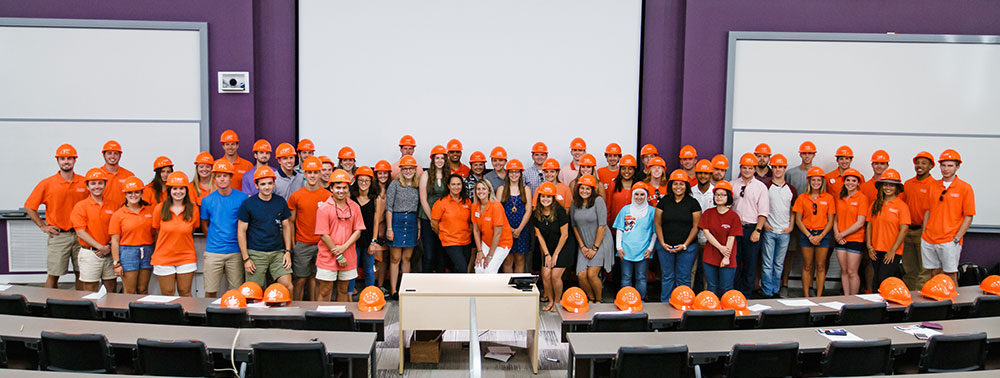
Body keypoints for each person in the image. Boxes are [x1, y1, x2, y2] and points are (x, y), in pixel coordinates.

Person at [25, 144, 88, 289]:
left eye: (69, 158)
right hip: (59, 236)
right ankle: (49, 308)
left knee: (82, 274)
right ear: (58, 161)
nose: (66, 161)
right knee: (54, 274)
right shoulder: (47, 184)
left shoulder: (84, 183)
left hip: (81, 235)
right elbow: (29, 206)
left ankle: (81, 305)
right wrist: (43, 225)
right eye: (62, 159)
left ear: (75, 160)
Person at [237, 166, 294, 293]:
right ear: (256, 186)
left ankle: (288, 313)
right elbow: (241, 231)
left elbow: (287, 226)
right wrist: (246, 258)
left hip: (277, 253)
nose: (267, 187)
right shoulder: (248, 204)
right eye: (263, 184)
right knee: (252, 291)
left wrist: (288, 252)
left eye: (269, 183)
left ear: (274, 184)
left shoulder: (280, 202)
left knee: (288, 286)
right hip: (256, 254)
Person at [922, 149, 975, 283]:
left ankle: (953, 303)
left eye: (950, 166)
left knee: (950, 275)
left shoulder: (965, 188)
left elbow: (969, 216)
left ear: (957, 167)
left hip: (949, 239)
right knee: (934, 274)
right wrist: (924, 232)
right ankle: (937, 303)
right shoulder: (933, 185)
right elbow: (928, 210)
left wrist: (957, 238)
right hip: (930, 238)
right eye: (943, 165)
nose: (946, 169)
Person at [199, 159, 248, 298]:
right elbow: (204, 223)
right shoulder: (207, 200)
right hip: (213, 252)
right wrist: (215, 240)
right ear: (214, 178)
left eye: (225, 175)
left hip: (236, 252)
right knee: (210, 290)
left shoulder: (242, 198)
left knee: (236, 292)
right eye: (219, 176)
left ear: (231, 177)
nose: (222, 179)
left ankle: (235, 318)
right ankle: (210, 319)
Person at [315, 169, 365, 301]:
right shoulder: (324, 208)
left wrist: (343, 248)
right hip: (328, 256)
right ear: (331, 188)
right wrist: (339, 254)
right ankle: (321, 320)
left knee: (344, 290)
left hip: (348, 255)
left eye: (344, 187)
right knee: (325, 291)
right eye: (337, 188)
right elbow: (323, 235)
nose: (341, 191)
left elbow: (358, 231)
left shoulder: (355, 207)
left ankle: (340, 321)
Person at [654, 170, 702, 300]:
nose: (678, 187)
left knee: (683, 277)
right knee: (667, 277)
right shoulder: (664, 202)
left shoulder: (693, 203)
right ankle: (665, 306)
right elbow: (657, 223)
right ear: (671, 185)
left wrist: (685, 245)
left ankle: (683, 305)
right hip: (665, 247)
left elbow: (696, 226)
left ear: (686, 186)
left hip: (688, 248)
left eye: (682, 184)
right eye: (675, 184)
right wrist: (662, 243)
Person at [286, 156, 330, 300]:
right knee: (300, 279)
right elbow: (291, 222)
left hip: (322, 244)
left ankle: (315, 309)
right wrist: (293, 245)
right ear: (304, 174)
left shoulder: (328, 196)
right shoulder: (295, 197)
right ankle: (298, 308)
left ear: (320, 174)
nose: (312, 176)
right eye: (309, 172)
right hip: (302, 243)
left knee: (318, 279)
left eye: (315, 172)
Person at [151, 171, 200, 296]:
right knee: (167, 294)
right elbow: (157, 231)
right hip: (163, 258)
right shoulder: (160, 208)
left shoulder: (193, 210)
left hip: (186, 257)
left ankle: (187, 316)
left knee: (185, 292)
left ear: (186, 190)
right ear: (169, 190)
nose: (178, 192)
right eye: (175, 189)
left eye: (181, 188)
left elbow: (191, 230)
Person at [71, 168, 117, 292]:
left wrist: (107, 247)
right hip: (90, 254)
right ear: (87, 186)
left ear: (105, 184)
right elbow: (80, 232)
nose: (97, 186)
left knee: (111, 289)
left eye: (100, 183)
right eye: (93, 183)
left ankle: (108, 312)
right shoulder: (80, 207)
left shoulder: (113, 205)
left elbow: (118, 229)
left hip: (109, 253)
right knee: (90, 291)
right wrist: (100, 247)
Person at [793, 167, 836, 297]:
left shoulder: (828, 198)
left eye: (818, 180)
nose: (816, 182)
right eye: (813, 180)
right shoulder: (802, 198)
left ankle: (819, 296)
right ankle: (806, 295)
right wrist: (809, 235)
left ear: (822, 181)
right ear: (809, 181)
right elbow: (798, 220)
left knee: (821, 266)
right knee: (807, 266)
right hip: (807, 235)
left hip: (823, 235)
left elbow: (831, 220)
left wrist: (821, 236)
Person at [570, 175, 614, 302]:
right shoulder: (575, 203)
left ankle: (599, 301)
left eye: (588, 189)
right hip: (584, 243)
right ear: (578, 189)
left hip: (600, 242)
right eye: (582, 188)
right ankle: (591, 298)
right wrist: (582, 247)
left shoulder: (598, 201)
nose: (584, 191)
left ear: (593, 190)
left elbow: (602, 226)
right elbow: (574, 226)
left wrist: (594, 248)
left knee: (592, 274)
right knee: (581, 275)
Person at [866, 169, 910, 290]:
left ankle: (886, 307)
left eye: (891, 185)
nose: (888, 188)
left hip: (891, 251)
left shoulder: (902, 206)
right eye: (885, 184)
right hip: (875, 250)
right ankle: (878, 307)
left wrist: (892, 251)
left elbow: (904, 229)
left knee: (883, 280)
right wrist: (869, 246)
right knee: (876, 280)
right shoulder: (875, 204)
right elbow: (869, 225)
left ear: (897, 188)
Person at [109, 176, 154, 294]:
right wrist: (116, 263)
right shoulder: (118, 214)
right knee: (130, 291)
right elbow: (114, 241)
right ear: (125, 195)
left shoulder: (150, 210)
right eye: (130, 193)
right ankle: (128, 312)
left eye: (136, 192)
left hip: (147, 250)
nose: (133, 195)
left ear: (141, 193)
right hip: (128, 252)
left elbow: (156, 233)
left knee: (143, 289)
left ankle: (142, 312)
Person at [732, 153, 769, 296]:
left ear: (755, 169)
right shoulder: (732, 185)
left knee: (750, 263)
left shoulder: (761, 187)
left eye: (750, 168)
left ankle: (746, 295)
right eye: (744, 168)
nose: (747, 170)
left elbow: (763, 212)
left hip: (751, 229)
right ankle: (734, 293)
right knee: (734, 263)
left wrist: (758, 230)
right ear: (740, 168)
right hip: (734, 230)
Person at [761, 154, 796, 298]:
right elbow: (761, 208)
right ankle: (767, 291)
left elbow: (793, 211)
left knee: (779, 264)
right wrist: (764, 225)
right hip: (769, 230)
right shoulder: (766, 187)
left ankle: (775, 290)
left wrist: (791, 227)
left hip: (784, 231)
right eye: (775, 167)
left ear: (785, 168)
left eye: (780, 167)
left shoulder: (791, 189)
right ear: (772, 168)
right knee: (767, 264)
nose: (777, 170)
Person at [782, 141, 816, 291]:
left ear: (814, 155)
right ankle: (784, 284)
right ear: (800, 154)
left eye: (810, 153)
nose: (807, 156)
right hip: (793, 220)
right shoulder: (791, 173)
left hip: (812, 221)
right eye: (804, 153)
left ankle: (809, 285)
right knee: (789, 252)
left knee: (811, 255)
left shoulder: (818, 173)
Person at [699, 181, 743, 296]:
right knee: (711, 287)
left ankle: (726, 313)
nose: (719, 197)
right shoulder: (708, 213)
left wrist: (726, 256)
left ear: (728, 197)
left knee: (726, 288)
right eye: (717, 194)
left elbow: (731, 237)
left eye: (722, 195)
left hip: (727, 257)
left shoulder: (734, 216)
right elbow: (706, 232)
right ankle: (712, 312)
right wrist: (720, 248)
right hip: (710, 256)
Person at [614, 182, 656, 299]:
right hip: (626, 250)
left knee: (641, 277)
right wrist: (619, 248)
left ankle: (640, 301)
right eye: (636, 194)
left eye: (642, 194)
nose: (639, 197)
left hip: (643, 251)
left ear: (646, 196)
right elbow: (620, 229)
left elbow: (655, 232)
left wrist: (650, 248)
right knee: (626, 277)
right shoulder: (625, 210)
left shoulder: (652, 211)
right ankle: (625, 300)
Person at [385, 156, 420, 298]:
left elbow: (418, 209)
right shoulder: (394, 184)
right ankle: (393, 290)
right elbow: (388, 208)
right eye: (405, 168)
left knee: (407, 257)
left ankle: (405, 288)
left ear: (415, 170)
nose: (408, 171)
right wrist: (389, 228)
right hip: (396, 221)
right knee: (395, 258)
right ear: (400, 170)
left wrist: (418, 227)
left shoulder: (418, 186)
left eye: (410, 168)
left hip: (411, 221)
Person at [901, 151, 936, 290]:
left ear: (931, 166)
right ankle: (909, 303)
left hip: (924, 232)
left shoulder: (935, 185)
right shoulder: (908, 184)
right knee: (909, 269)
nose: (919, 166)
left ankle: (922, 303)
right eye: (917, 162)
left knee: (924, 270)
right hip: (907, 231)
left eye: (924, 163)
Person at [535, 182, 571, 311]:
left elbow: (565, 235)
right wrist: (547, 255)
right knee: (545, 274)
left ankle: (557, 302)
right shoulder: (537, 213)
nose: (545, 199)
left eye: (549, 197)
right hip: (548, 246)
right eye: (543, 196)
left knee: (555, 275)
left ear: (553, 198)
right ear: (539, 197)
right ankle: (550, 301)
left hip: (563, 246)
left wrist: (555, 255)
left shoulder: (559, 211)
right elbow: (539, 237)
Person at [833, 168, 869, 294]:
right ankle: (846, 297)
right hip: (840, 239)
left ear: (858, 183)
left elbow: (860, 222)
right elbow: (835, 219)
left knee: (852, 271)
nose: (850, 183)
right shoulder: (840, 198)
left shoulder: (862, 198)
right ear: (844, 182)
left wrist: (842, 234)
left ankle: (854, 300)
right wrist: (837, 234)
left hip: (855, 239)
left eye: (854, 181)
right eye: (848, 180)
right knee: (844, 271)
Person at [431, 174, 474, 272]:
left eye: (458, 184)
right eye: (453, 184)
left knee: (459, 269)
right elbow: (434, 224)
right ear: (448, 186)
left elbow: (471, 222)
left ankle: (455, 287)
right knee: (462, 269)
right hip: (450, 242)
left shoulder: (467, 202)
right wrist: (443, 235)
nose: (456, 187)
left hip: (466, 241)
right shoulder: (441, 203)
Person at [349, 166, 381, 293]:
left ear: (371, 182)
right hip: (353, 239)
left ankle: (370, 294)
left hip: (368, 239)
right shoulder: (351, 196)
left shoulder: (375, 198)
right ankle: (349, 294)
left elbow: (376, 221)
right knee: (352, 268)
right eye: (361, 180)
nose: (363, 183)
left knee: (368, 269)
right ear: (356, 181)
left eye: (366, 181)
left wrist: (374, 241)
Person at [497, 159, 532, 273]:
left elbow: (528, 210)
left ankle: (518, 287)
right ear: (507, 173)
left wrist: (519, 229)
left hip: (522, 229)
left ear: (521, 173)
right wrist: (509, 229)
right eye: (511, 172)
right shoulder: (501, 189)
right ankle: (508, 289)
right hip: (505, 229)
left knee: (520, 259)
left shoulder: (526, 189)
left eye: (517, 172)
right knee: (507, 259)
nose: (514, 175)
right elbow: (498, 212)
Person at [472, 179, 513, 274]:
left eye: (484, 189)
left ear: (489, 190)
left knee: (489, 269)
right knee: (478, 268)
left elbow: (497, 234)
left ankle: (491, 289)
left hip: (502, 243)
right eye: (478, 189)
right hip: (486, 242)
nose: (481, 191)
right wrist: (479, 251)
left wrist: (490, 256)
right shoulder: (475, 206)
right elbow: (476, 230)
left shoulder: (496, 206)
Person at [419, 145, 449, 273]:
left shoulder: (449, 175)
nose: (440, 161)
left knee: (441, 254)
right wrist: (432, 219)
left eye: (442, 158)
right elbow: (423, 199)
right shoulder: (426, 175)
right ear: (432, 159)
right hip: (428, 217)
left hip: (445, 219)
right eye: (437, 158)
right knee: (429, 254)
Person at [689, 159, 716, 292]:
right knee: (691, 271)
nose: (703, 176)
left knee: (708, 272)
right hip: (693, 238)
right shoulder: (690, 192)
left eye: (706, 173)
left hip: (710, 240)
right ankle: (687, 298)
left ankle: (708, 299)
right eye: (700, 173)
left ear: (711, 175)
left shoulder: (716, 192)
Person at [372, 160, 392, 291]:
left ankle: (381, 286)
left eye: (385, 173)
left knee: (384, 259)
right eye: (380, 173)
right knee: (376, 260)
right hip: (376, 230)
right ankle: (373, 286)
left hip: (387, 229)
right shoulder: (372, 190)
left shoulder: (391, 188)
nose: (383, 176)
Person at [98, 140, 135, 210]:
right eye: (109, 153)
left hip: (124, 215)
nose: (112, 156)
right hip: (103, 214)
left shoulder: (129, 175)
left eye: (115, 153)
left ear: (120, 156)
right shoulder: (98, 175)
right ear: (104, 155)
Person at [608, 154, 638, 228]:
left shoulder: (639, 185)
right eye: (623, 168)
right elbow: (608, 205)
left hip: (634, 226)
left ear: (634, 170)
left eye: (630, 169)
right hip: (615, 225)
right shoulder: (613, 184)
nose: (626, 171)